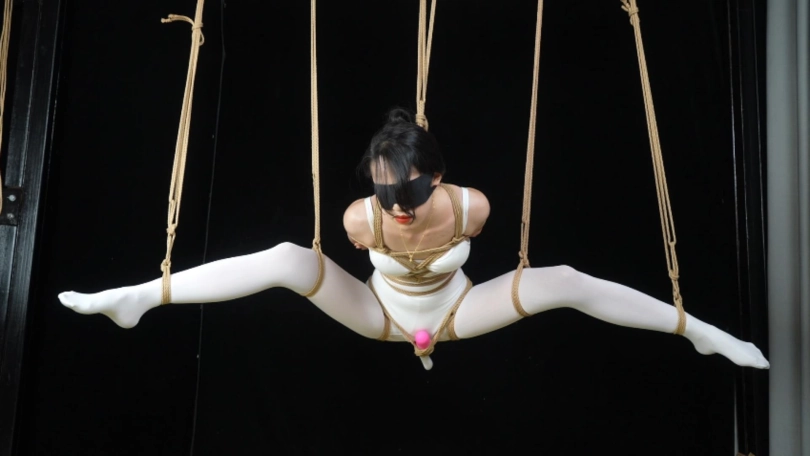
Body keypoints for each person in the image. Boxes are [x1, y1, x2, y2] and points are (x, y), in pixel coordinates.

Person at [58, 108, 770, 370]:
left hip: (456, 310)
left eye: (411, 196)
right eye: (385, 196)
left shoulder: (470, 208)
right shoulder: (358, 220)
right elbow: (353, 248)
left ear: (438, 179)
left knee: (565, 281)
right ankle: (142, 296)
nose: (397, 212)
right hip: (379, 312)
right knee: (283, 261)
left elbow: (482, 251)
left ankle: (699, 331)